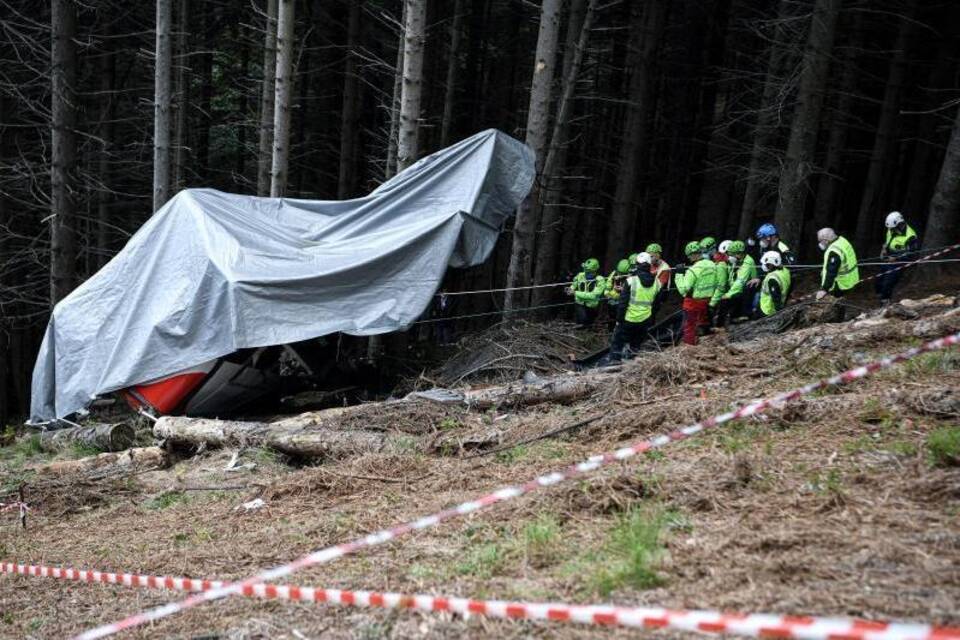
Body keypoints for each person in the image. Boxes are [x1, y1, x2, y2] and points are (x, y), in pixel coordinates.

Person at [608, 253, 661, 360]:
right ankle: (631, 365)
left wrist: (619, 320)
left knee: (617, 344)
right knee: (635, 345)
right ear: (649, 265)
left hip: (628, 319)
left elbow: (623, 304)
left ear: (637, 264)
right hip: (645, 319)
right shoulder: (657, 283)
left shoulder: (631, 281)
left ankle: (614, 365)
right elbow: (656, 303)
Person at [674, 240, 718, 345]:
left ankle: (689, 348)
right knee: (704, 323)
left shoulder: (693, 270)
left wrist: (679, 274)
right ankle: (705, 343)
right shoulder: (712, 265)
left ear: (693, 255)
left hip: (693, 302)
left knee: (689, 327)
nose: (688, 258)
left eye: (689, 255)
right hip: (707, 301)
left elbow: (683, 289)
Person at [876, 211, 919, 305]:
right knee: (878, 279)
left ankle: (885, 302)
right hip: (889, 256)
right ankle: (880, 298)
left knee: (888, 282)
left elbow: (911, 254)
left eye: (893, 228)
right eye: (890, 229)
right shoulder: (891, 229)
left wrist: (896, 259)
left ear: (900, 224)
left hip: (900, 260)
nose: (891, 230)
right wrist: (883, 249)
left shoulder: (910, 236)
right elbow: (888, 241)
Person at [715, 240, 756, 326]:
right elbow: (731, 277)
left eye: (731, 254)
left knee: (725, 300)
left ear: (739, 254)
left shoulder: (748, 262)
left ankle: (720, 326)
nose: (729, 256)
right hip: (736, 289)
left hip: (744, 291)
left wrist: (728, 294)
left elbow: (740, 281)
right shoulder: (736, 261)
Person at [815, 227, 859, 301]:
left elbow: (831, 272)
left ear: (826, 240)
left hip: (842, 283)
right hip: (852, 278)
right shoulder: (842, 240)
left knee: (830, 303)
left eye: (820, 241)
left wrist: (824, 289)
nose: (820, 243)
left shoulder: (834, 251)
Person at [568, 258, 606, 328]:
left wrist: (575, 293)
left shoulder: (600, 280)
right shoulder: (580, 275)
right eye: (585, 270)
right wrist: (570, 289)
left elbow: (593, 296)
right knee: (581, 321)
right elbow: (574, 284)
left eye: (589, 271)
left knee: (588, 323)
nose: (586, 272)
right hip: (579, 303)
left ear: (595, 271)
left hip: (592, 306)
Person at [757, 250, 791, 317]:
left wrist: (778, 314)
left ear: (771, 264)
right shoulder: (785, 271)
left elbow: (776, 297)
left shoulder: (772, 278)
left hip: (768, 309)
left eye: (766, 264)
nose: (764, 266)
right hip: (781, 303)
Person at [644, 243, 671, 319]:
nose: (649, 259)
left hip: (659, 297)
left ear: (658, 255)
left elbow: (659, 286)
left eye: (651, 256)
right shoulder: (649, 264)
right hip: (648, 295)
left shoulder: (665, 267)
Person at [604, 258, 632, 327]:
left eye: (622, 273)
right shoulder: (614, 273)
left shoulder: (631, 277)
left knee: (620, 317)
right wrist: (607, 293)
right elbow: (608, 283)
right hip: (612, 299)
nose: (620, 274)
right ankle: (611, 328)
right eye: (619, 272)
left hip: (622, 300)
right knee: (611, 316)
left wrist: (623, 290)